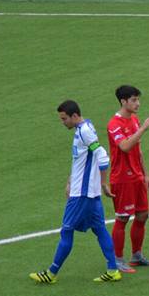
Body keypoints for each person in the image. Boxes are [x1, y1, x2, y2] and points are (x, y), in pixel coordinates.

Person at [30, 101, 122, 284]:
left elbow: (102, 156)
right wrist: (70, 180)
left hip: (82, 194)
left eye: (64, 119)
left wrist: (104, 183)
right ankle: (113, 270)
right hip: (88, 191)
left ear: (74, 116)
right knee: (99, 229)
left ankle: (51, 273)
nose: (62, 122)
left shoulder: (85, 132)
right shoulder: (84, 128)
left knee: (67, 231)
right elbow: (80, 159)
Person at [107, 84, 149, 274]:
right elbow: (125, 147)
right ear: (123, 101)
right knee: (122, 217)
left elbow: (138, 150)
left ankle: (137, 255)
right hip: (122, 178)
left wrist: (145, 173)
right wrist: (143, 128)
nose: (138, 103)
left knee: (143, 214)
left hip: (137, 176)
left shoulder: (134, 120)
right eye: (134, 100)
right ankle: (117, 259)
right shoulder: (114, 124)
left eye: (138, 99)